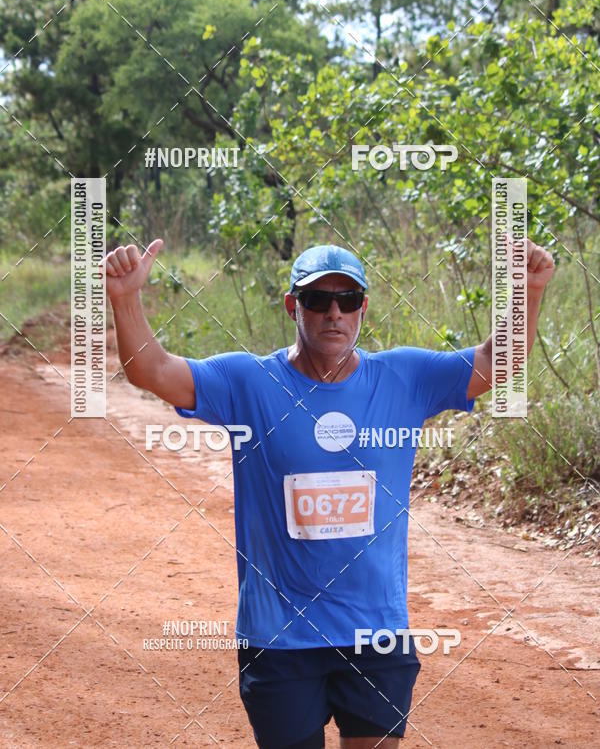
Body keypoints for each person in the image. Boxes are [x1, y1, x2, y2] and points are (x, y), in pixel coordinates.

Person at [104, 239, 555, 749]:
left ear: (364, 306)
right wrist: (125, 298)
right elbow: (152, 371)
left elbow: (500, 361)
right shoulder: (249, 381)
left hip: (376, 631)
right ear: (292, 306)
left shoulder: (405, 377)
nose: (333, 312)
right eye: (317, 300)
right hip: (280, 638)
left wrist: (527, 290)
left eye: (347, 298)